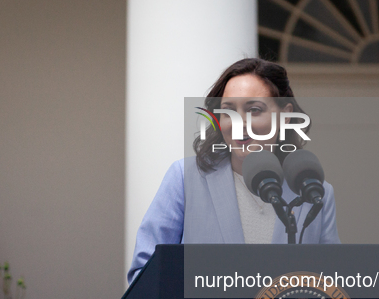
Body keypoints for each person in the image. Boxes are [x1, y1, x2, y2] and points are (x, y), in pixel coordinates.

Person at [128, 58, 340, 284]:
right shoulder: (184, 178)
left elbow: (331, 283)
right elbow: (143, 274)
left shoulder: (315, 192)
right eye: (228, 111)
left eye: (254, 110)